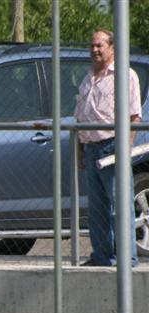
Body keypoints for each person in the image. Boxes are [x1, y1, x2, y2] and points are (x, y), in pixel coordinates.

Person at [74, 29, 142, 267]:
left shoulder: (125, 75)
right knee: (97, 209)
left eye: (99, 45)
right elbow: (80, 118)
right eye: (92, 46)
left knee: (119, 206)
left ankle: (127, 258)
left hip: (112, 146)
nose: (94, 50)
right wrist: (80, 152)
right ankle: (102, 257)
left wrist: (125, 148)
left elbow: (134, 117)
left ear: (112, 47)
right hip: (91, 147)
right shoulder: (88, 77)